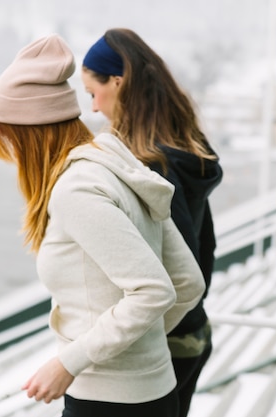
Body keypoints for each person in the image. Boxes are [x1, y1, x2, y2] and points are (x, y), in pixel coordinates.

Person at [0, 33, 206, 417]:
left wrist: (69, 362)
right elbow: (187, 281)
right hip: (153, 393)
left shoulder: (77, 190)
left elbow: (154, 292)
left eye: (10, 141)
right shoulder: (114, 161)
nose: (12, 155)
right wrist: (138, 348)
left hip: (109, 403)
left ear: (30, 134)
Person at [81, 28, 224, 417]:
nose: (93, 108)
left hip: (169, 344)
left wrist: (143, 338)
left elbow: (180, 270)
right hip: (194, 333)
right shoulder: (187, 146)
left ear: (117, 82)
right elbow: (205, 245)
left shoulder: (149, 166)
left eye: (93, 93)